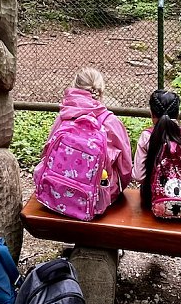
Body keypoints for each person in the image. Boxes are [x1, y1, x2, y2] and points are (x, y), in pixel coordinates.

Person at [43, 67, 132, 208]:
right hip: (97, 200)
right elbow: (126, 169)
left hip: (57, 193)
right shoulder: (110, 122)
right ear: (101, 91)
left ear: (75, 88)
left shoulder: (64, 117)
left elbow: (46, 152)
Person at [133, 90, 181, 208]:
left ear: (151, 113)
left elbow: (139, 176)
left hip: (152, 202)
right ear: (178, 113)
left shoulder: (147, 137)